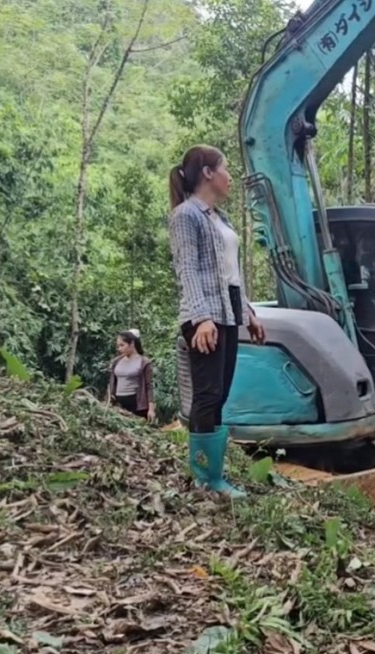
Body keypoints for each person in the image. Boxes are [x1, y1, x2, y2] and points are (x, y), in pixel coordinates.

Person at [168, 145, 266, 497]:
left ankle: (214, 476)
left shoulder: (218, 218)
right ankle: (205, 479)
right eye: (225, 168)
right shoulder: (186, 215)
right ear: (208, 173)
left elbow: (230, 274)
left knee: (219, 396)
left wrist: (249, 314)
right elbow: (188, 270)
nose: (230, 176)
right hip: (204, 316)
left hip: (226, 313)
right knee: (207, 396)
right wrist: (202, 318)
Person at [107, 329, 154, 422]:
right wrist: (109, 397)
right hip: (119, 403)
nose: (119, 349)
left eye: (122, 345)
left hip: (136, 403)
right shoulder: (116, 362)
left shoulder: (144, 362)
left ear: (132, 344)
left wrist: (151, 409)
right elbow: (112, 382)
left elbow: (149, 386)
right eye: (118, 346)